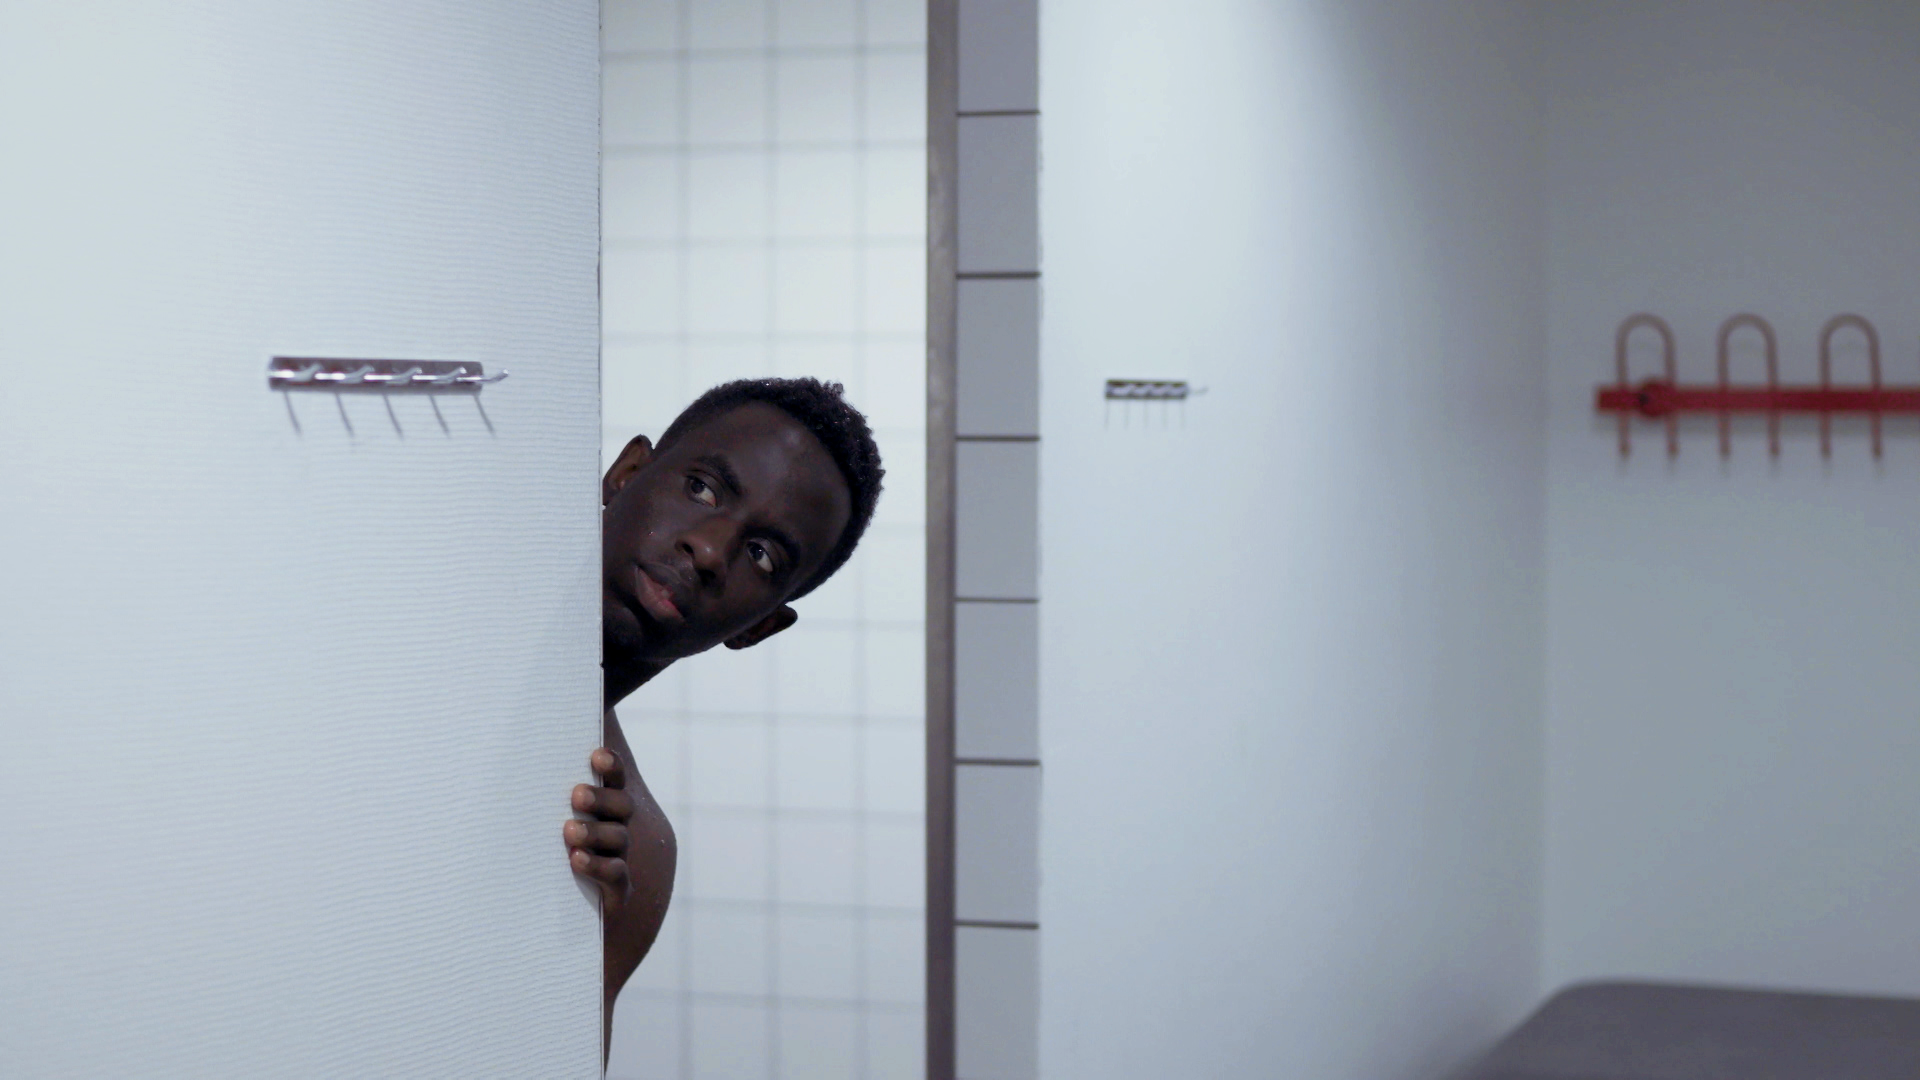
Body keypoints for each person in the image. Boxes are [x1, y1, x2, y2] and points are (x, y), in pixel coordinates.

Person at [561, 377, 885, 1060]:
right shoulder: (418, 622)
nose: (709, 551)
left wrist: (567, 941)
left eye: (763, 556)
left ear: (758, 627)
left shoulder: (634, 849)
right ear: (626, 473)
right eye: (703, 490)